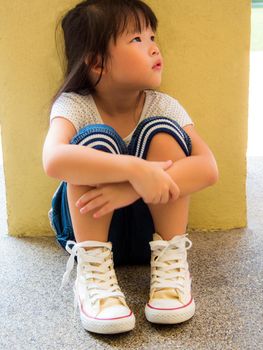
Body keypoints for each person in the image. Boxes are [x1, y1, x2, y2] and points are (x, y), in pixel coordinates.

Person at [42, 0, 218, 335]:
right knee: (95, 138)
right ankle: (94, 279)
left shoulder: (162, 105)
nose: (153, 47)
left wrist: (129, 187)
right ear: (96, 62)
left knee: (162, 131)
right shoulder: (74, 105)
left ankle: (170, 267)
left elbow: (208, 167)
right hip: (86, 227)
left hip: (150, 232)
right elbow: (53, 160)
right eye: (137, 40)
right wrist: (135, 169)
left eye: (153, 37)